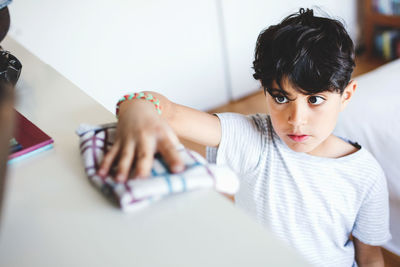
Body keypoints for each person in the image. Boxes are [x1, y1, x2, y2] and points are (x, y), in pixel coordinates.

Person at [98, 8, 390, 266]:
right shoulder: (255, 140)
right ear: (265, 91)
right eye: (280, 97)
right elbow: (166, 111)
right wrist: (137, 110)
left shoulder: (365, 175)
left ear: (346, 95)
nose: (295, 119)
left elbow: (370, 258)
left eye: (314, 100)